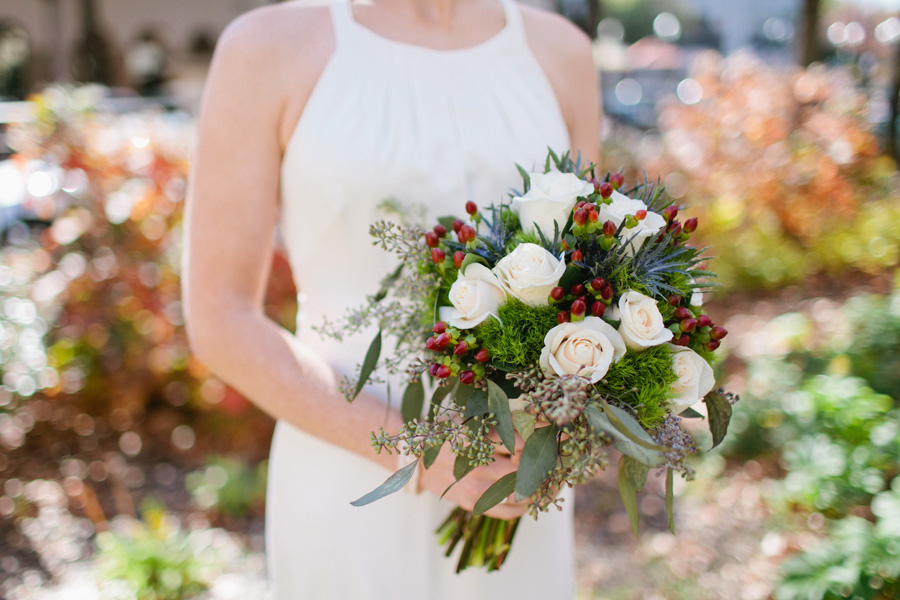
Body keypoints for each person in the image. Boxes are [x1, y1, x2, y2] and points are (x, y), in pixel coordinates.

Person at [182, 0, 600, 597]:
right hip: (347, 474)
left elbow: (590, 273)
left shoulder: (561, 52)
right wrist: (425, 456)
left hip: (514, 483)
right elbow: (220, 319)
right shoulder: (268, 47)